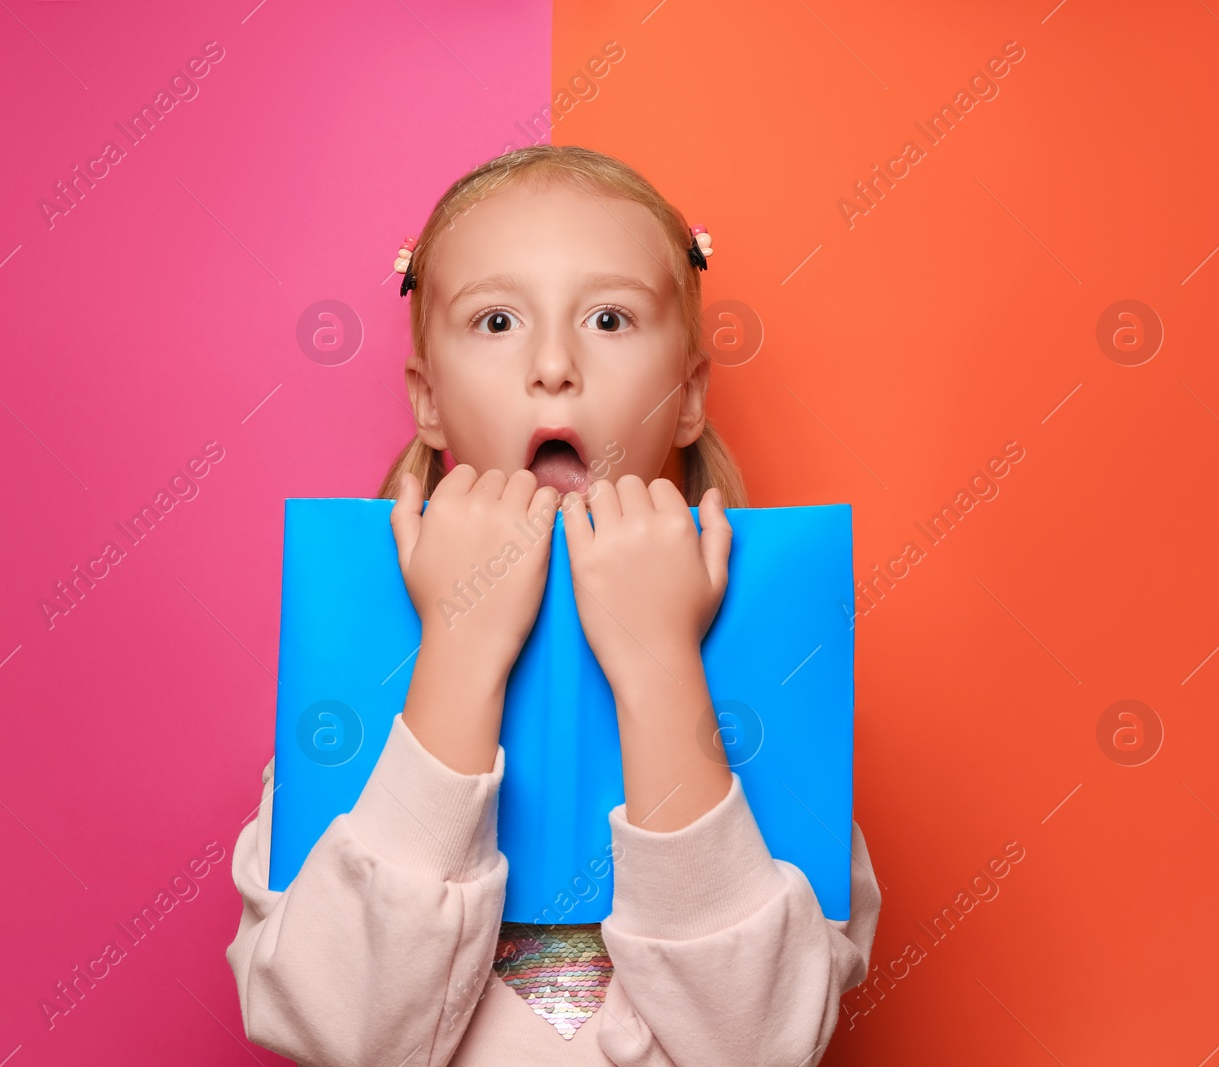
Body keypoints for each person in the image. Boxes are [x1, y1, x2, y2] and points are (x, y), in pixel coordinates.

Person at [225, 144, 882, 1066]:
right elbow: (348, 1033)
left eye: (609, 317)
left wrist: (660, 663)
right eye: (496, 320)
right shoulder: (344, 703)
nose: (553, 365)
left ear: (688, 395)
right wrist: (457, 642)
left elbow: (754, 1046)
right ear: (428, 403)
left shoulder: (780, 696)